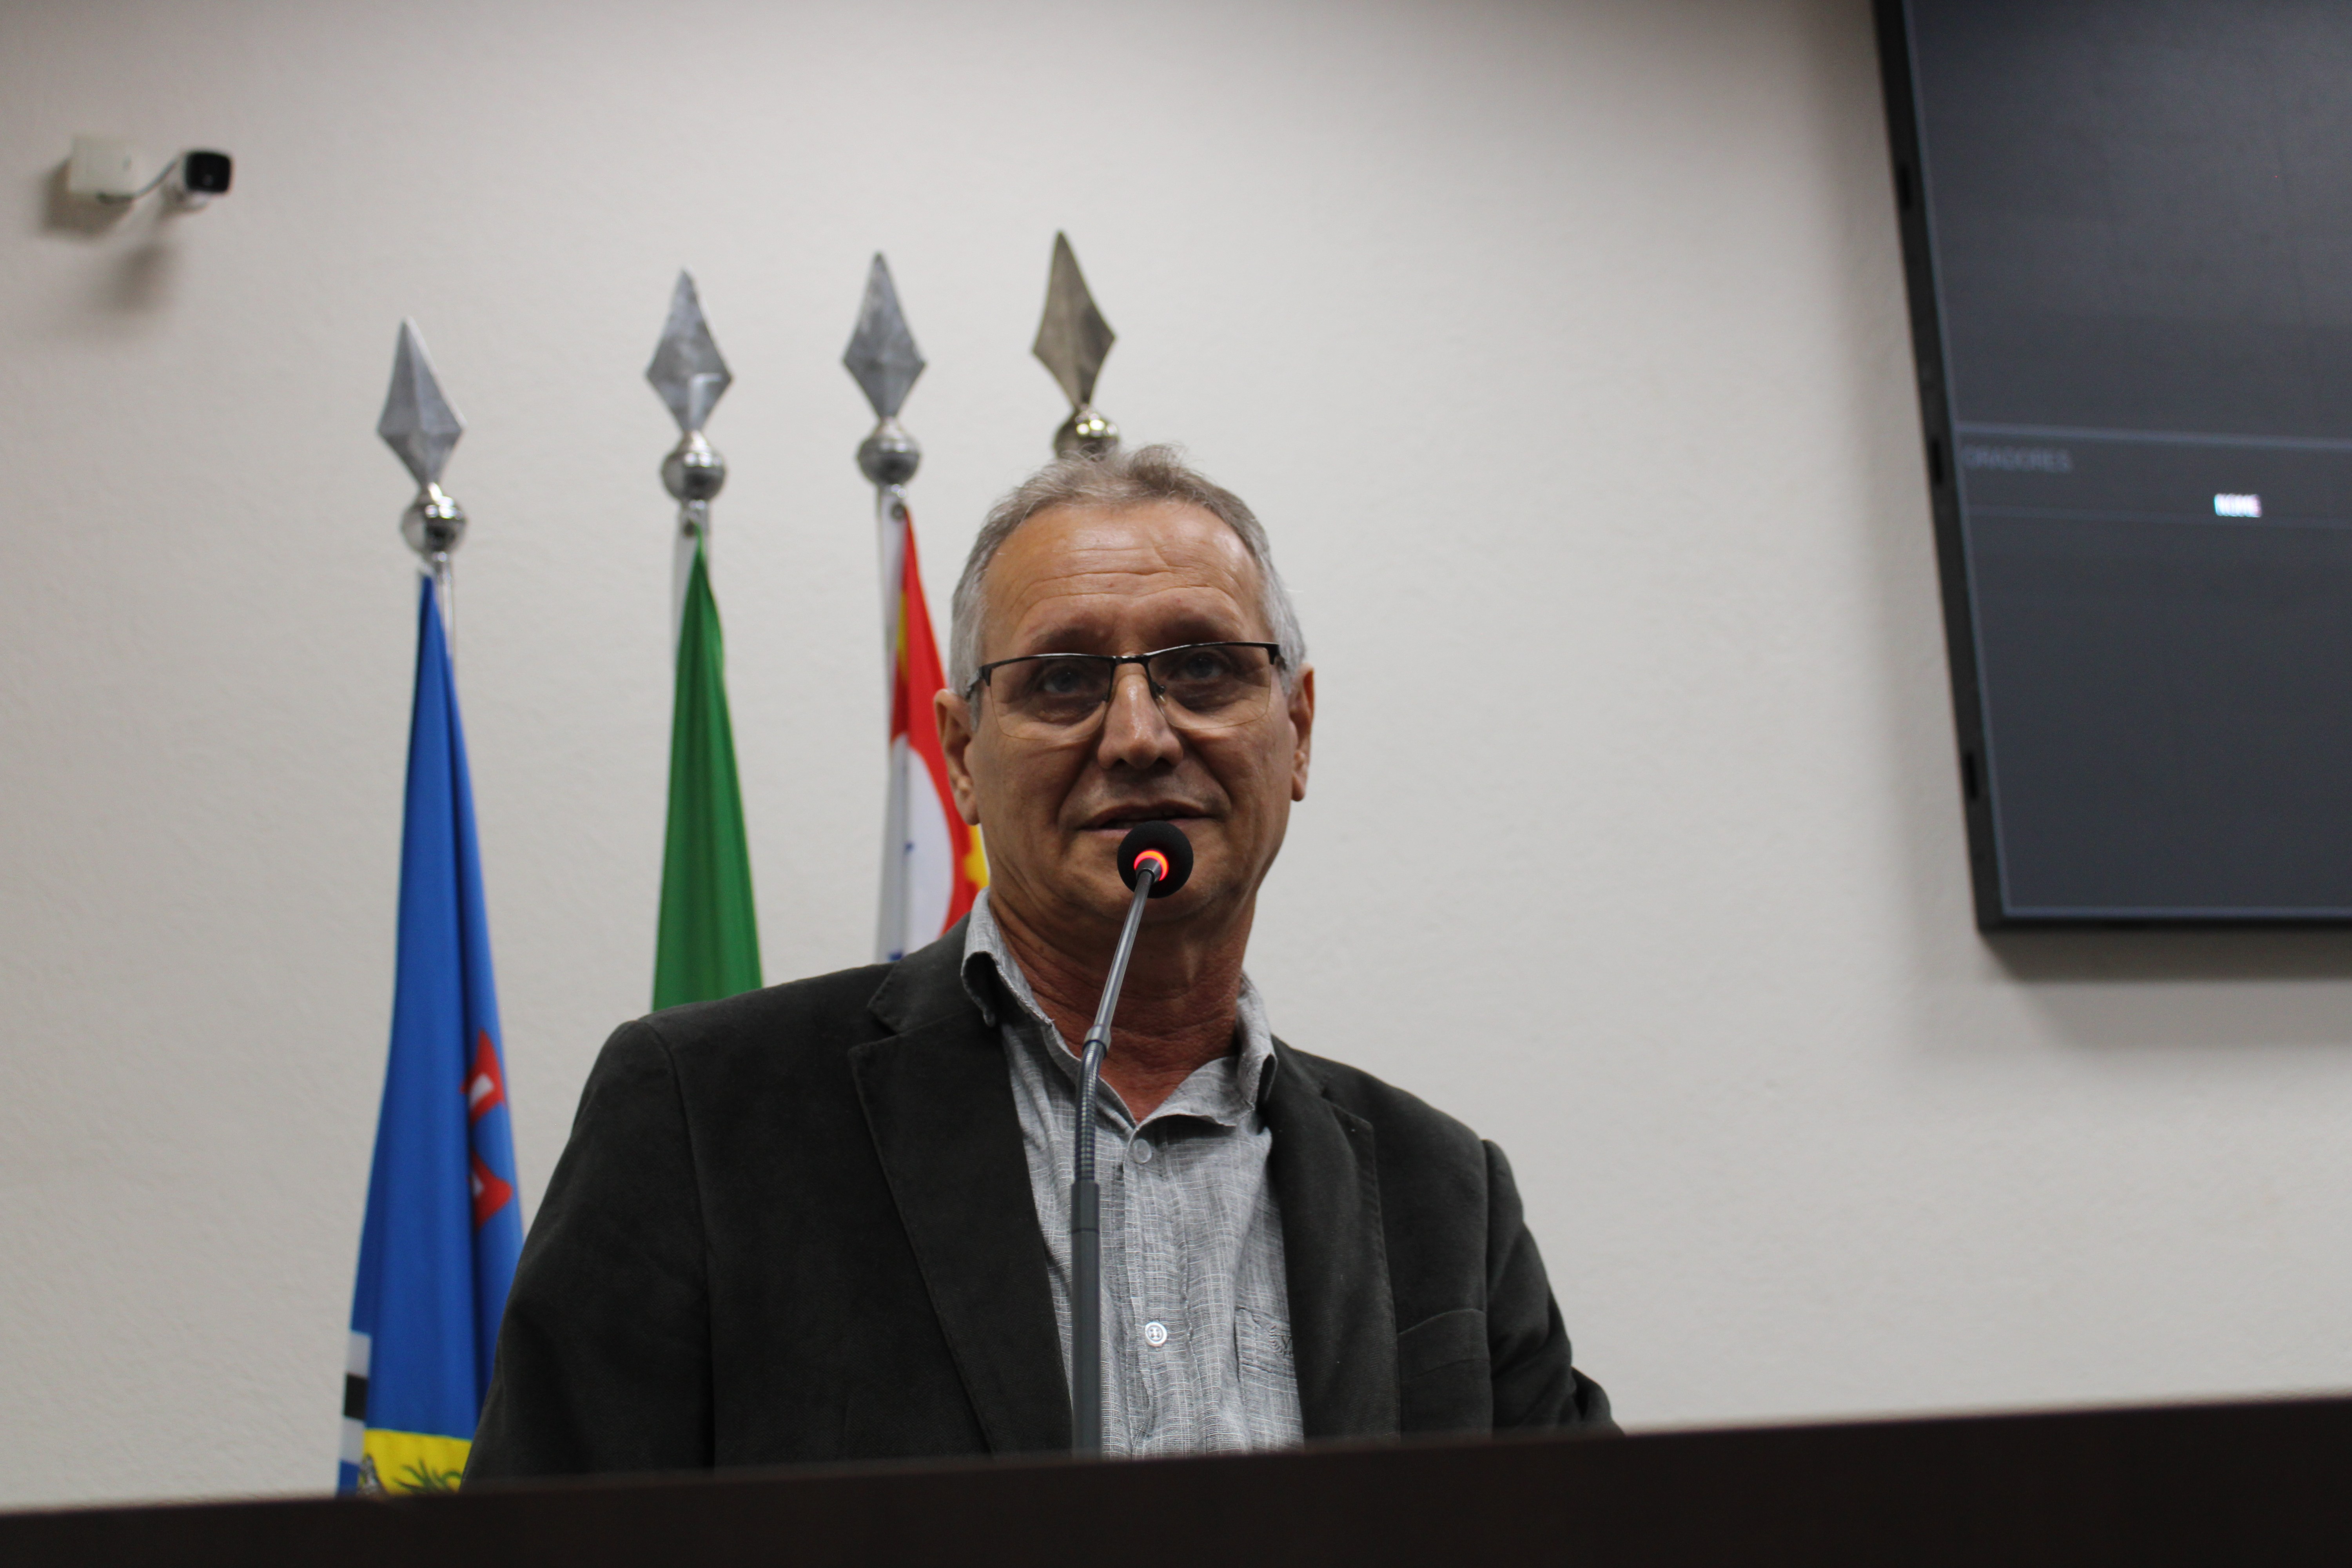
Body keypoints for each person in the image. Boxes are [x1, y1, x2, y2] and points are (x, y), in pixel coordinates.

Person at [465, 446, 1610, 1479]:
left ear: (1297, 731)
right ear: (964, 756)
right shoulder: (705, 1117)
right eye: (1063, 679)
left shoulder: (1442, 1195)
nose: (1140, 734)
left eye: (1204, 669)